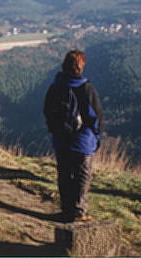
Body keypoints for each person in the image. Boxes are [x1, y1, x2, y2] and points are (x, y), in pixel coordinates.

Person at [43, 50, 103, 222]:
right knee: (82, 178)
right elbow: (96, 116)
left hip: (61, 140)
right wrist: (96, 137)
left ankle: (66, 210)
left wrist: (55, 131)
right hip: (83, 142)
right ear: (80, 67)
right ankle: (78, 213)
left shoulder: (55, 86)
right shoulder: (86, 88)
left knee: (64, 175)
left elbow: (47, 111)